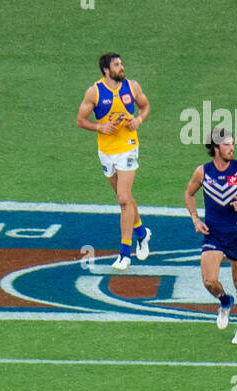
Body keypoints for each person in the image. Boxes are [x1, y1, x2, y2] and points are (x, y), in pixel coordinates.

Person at [184, 128, 237, 345]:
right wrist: (195, 219)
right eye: (227, 144)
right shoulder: (203, 172)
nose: (232, 148)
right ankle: (225, 301)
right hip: (214, 235)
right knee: (209, 280)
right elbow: (189, 193)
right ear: (216, 148)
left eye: (232, 144)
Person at [76, 52, 151, 269]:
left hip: (127, 148)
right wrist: (100, 127)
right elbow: (80, 120)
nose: (122, 67)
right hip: (106, 151)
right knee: (124, 198)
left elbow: (145, 106)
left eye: (121, 63)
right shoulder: (95, 92)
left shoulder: (132, 87)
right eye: (117, 65)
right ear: (106, 70)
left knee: (123, 198)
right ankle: (142, 233)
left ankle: (125, 253)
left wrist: (138, 120)